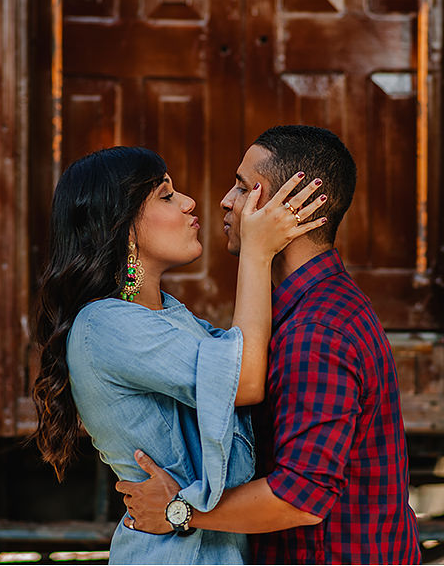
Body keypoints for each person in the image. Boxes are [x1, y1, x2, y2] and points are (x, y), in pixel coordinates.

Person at [116, 126, 422, 564]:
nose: (225, 200)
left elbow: (300, 497)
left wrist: (178, 510)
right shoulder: (303, 309)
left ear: (290, 208)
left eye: (242, 188)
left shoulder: (317, 328)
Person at [30, 146, 327, 564]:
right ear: (124, 226)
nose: (190, 203)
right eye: (166, 196)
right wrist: (258, 255)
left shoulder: (169, 315)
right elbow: (243, 382)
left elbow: (241, 355)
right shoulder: (106, 324)